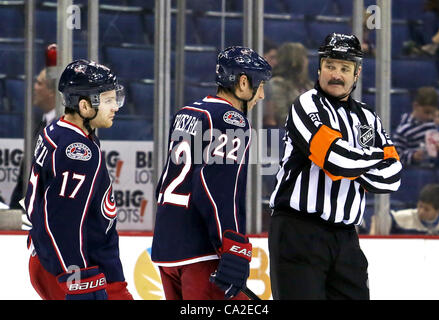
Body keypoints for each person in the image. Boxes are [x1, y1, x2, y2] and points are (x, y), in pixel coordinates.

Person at [268, 33, 402, 300]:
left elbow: (393, 177)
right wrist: (375, 156)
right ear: (319, 68)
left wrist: (353, 159)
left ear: (357, 73)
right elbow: (334, 160)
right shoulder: (305, 105)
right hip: (298, 233)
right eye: (330, 66)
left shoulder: (367, 117)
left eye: (345, 68)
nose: (336, 75)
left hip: (346, 239)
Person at [151, 46, 272, 300]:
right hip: (202, 252)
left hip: (167, 247)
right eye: (260, 85)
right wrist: (233, 245)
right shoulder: (231, 120)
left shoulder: (187, 113)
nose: (261, 95)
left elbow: (163, 182)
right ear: (242, 83)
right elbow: (217, 189)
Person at [23, 59, 133, 300]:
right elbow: (62, 221)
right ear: (84, 106)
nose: (115, 106)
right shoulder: (79, 151)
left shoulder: (56, 130)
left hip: (51, 259)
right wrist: (78, 278)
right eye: (107, 100)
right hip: (76, 269)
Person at [9, 67, 57, 211]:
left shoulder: (63, 129)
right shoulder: (39, 124)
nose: (34, 87)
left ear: (52, 92)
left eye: (39, 83)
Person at [263, 42, 314, 128]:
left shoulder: (310, 85)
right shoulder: (277, 84)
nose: (307, 61)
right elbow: (282, 117)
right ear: (295, 61)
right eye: (304, 57)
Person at [393, 86, 439, 167]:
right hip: (412, 172)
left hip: (433, 169)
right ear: (415, 106)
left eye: (432, 113)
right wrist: (413, 156)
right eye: (427, 112)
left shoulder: (433, 124)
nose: (430, 117)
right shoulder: (404, 129)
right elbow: (395, 156)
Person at [371, 184, 439, 236]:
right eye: (420, 206)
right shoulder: (406, 216)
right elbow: (379, 218)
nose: (421, 211)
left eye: (426, 209)